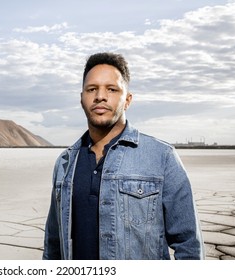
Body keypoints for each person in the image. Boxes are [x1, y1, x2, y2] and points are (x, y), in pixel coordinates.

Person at [43, 52, 204, 260]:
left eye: (111, 89)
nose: (100, 96)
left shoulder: (161, 157)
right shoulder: (65, 163)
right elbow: (53, 245)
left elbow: (189, 245)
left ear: (127, 100)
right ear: (82, 98)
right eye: (92, 89)